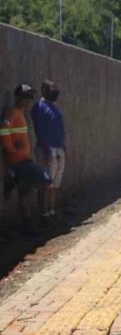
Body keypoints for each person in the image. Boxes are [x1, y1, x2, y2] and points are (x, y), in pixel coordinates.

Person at [1, 84, 52, 235]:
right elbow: (3, 130)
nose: (29, 100)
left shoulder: (21, 113)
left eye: (31, 97)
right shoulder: (12, 112)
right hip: (19, 162)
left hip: (24, 160)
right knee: (45, 180)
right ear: (18, 97)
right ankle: (43, 217)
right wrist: (11, 149)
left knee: (25, 192)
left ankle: (27, 224)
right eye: (26, 97)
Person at [31, 80, 66, 222]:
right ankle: (43, 213)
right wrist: (44, 149)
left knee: (55, 183)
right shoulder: (39, 107)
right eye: (52, 89)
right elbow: (38, 129)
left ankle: (52, 210)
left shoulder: (54, 107)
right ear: (44, 90)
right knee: (45, 182)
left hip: (58, 149)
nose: (55, 92)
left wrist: (64, 147)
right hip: (47, 149)